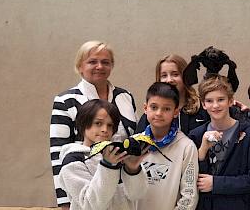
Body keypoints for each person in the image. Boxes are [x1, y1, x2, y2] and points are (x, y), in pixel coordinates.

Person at [51, 41, 138, 209]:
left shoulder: (125, 96)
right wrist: (64, 201)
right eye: (92, 61)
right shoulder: (65, 101)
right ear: (80, 66)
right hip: (86, 189)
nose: (99, 66)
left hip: (122, 192)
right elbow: (57, 152)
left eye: (105, 62)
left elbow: (132, 137)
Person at [59, 100, 148, 210]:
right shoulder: (73, 159)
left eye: (110, 125)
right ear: (84, 123)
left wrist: (133, 170)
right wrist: (108, 166)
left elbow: (137, 195)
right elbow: (91, 205)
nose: (105, 130)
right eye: (98, 123)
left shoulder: (119, 154)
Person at [189, 75, 250, 210]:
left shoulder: (248, 134)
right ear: (203, 104)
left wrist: (216, 184)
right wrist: (202, 151)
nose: (215, 105)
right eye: (209, 101)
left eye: (221, 99)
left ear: (230, 101)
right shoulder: (196, 135)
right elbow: (190, 179)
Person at [136, 82, 199, 210]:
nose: (159, 113)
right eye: (154, 107)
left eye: (166, 109)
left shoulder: (187, 147)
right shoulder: (134, 144)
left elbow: (189, 195)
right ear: (145, 108)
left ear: (176, 112)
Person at [137, 55, 206, 134]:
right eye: (164, 76)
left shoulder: (202, 107)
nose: (169, 80)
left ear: (186, 76)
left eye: (175, 74)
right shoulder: (152, 113)